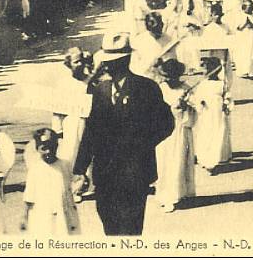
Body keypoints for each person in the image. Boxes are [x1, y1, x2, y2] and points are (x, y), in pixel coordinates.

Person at [73, 32, 174, 235]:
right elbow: (90, 131)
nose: (108, 66)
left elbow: (166, 123)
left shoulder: (146, 88)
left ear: (126, 59)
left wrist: (142, 144)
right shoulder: (99, 91)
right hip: (104, 172)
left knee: (131, 228)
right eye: (107, 61)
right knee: (109, 225)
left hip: (134, 171)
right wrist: (80, 168)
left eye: (114, 61)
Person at [23, 128, 81, 236]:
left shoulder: (65, 165)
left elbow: (75, 180)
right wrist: (24, 217)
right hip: (43, 214)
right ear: (37, 149)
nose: (48, 151)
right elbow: (29, 197)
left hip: (64, 214)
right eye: (44, 148)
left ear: (57, 146)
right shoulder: (35, 169)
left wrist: (82, 180)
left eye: (51, 147)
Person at [155, 59, 196, 212]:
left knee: (178, 162)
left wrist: (185, 108)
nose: (166, 79)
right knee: (164, 164)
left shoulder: (186, 89)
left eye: (169, 76)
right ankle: (165, 196)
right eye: (164, 76)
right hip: (163, 131)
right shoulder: (159, 89)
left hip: (180, 130)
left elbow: (194, 113)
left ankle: (178, 194)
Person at [190, 57, 232, 174]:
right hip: (205, 113)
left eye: (208, 70)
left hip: (218, 114)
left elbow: (227, 96)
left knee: (217, 134)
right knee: (205, 135)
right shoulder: (202, 84)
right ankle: (205, 159)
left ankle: (214, 161)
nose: (205, 72)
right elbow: (197, 98)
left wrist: (226, 104)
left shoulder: (222, 84)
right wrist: (200, 102)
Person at [130, 12, 177, 79]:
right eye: (156, 29)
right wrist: (151, 64)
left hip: (165, 77)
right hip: (145, 78)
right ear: (149, 28)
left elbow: (173, 58)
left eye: (160, 27)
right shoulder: (139, 41)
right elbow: (134, 67)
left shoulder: (168, 39)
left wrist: (165, 61)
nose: (159, 31)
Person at [234, 0, 253, 79]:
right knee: (242, 53)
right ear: (244, 7)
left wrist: (250, 24)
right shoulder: (239, 15)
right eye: (248, 6)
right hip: (242, 37)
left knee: (251, 53)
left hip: (252, 36)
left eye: (251, 6)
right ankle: (242, 71)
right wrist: (246, 23)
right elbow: (238, 28)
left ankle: (250, 72)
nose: (250, 8)